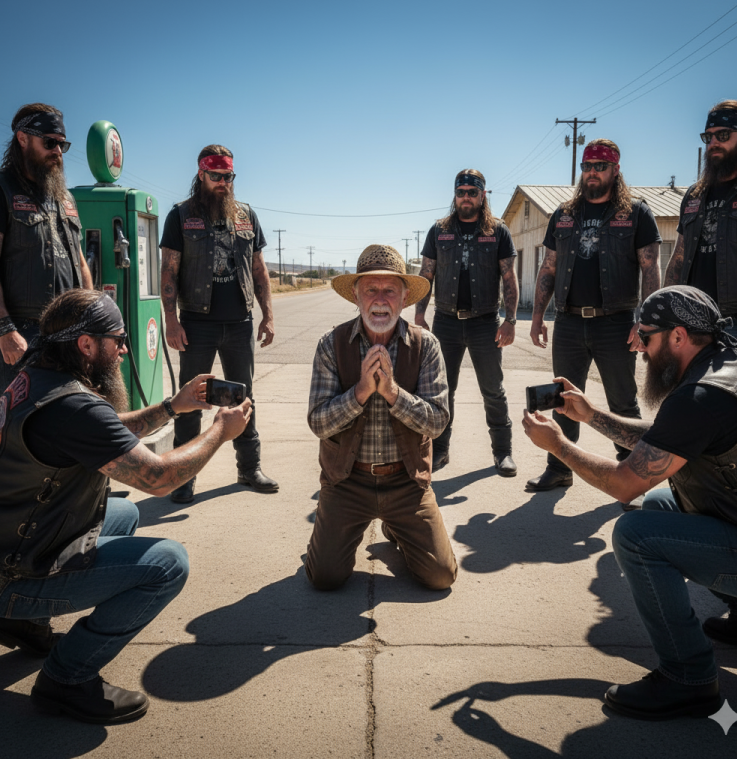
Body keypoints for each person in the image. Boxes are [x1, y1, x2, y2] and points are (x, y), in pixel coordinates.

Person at [0, 289, 251, 723]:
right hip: (14, 572)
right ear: (86, 345)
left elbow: (106, 433)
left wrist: (174, 406)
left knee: (124, 513)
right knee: (168, 563)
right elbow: (159, 478)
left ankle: (22, 624)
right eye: (117, 339)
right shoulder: (74, 406)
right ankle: (66, 678)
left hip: (13, 540)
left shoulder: (36, 378)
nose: (123, 349)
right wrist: (218, 434)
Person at [522, 285, 737, 721]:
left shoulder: (701, 397)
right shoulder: (726, 366)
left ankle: (688, 679)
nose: (636, 345)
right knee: (659, 502)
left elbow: (622, 484)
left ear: (678, 336)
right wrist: (592, 415)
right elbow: (666, 439)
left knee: (636, 534)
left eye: (646, 336)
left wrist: (558, 445)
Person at [305, 244, 457, 590]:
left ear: (404, 298)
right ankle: (331, 539)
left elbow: (437, 421)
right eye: (370, 289)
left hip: (406, 482)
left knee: (440, 576)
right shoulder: (332, 344)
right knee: (325, 578)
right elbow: (318, 422)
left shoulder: (426, 345)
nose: (380, 299)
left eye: (390, 290)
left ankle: (395, 526)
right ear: (356, 296)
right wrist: (360, 391)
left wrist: (392, 393)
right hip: (347, 482)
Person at [528, 139, 661, 502]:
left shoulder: (636, 213)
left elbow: (651, 269)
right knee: (563, 398)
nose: (592, 173)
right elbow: (549, 267)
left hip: (615, 323)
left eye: (600, 167)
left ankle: (635, 475)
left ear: (615, 171)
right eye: (587, 166)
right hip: (569, 322)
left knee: (622, 401)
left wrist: (646, 321)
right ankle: (559, 470)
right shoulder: (564, 213)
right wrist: (538, 316)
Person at [160, 144, 277, 503]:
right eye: (216, 176)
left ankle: (249, 468)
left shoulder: (246, 215)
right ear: (201, 174)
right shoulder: (181, 216)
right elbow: (169, 271)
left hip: (239, 323)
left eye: (228, 176)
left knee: (244, 397)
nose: (223, 183)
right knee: (192, 401)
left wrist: (268, 314)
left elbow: (259, 269)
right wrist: (171, 320)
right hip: (197, 323)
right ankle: (183, 476)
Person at [415, 169, 519, 477]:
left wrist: (511, 320)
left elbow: (509, 277)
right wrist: (419, 315)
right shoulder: (440, 231)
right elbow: (426, 274)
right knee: (443, 391)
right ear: (455, 195)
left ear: (483, 195)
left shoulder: (497, 231)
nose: (466, 198)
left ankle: (503, 452)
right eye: (461, 192)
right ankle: (440, 450)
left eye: (472, 193)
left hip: (485, 323)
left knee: (493, 389)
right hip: (445, 321)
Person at [665, 99, 737, 369]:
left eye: (723, 135)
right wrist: (661, 315)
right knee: (694, 404)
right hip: (692, 325)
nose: (713, 143)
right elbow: (678, 258)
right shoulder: (694, 194)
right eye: (708, 137)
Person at [0, 103, 93, 388]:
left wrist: (96, 318)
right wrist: (4, 329)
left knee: (65, 421)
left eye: (62, 146)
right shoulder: (3, 189)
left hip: (69, 334)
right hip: (21, 335)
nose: (57, 152)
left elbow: (79, 260)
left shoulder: (64, 197)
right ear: (23, 138)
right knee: (16, 425)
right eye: (50, 143)